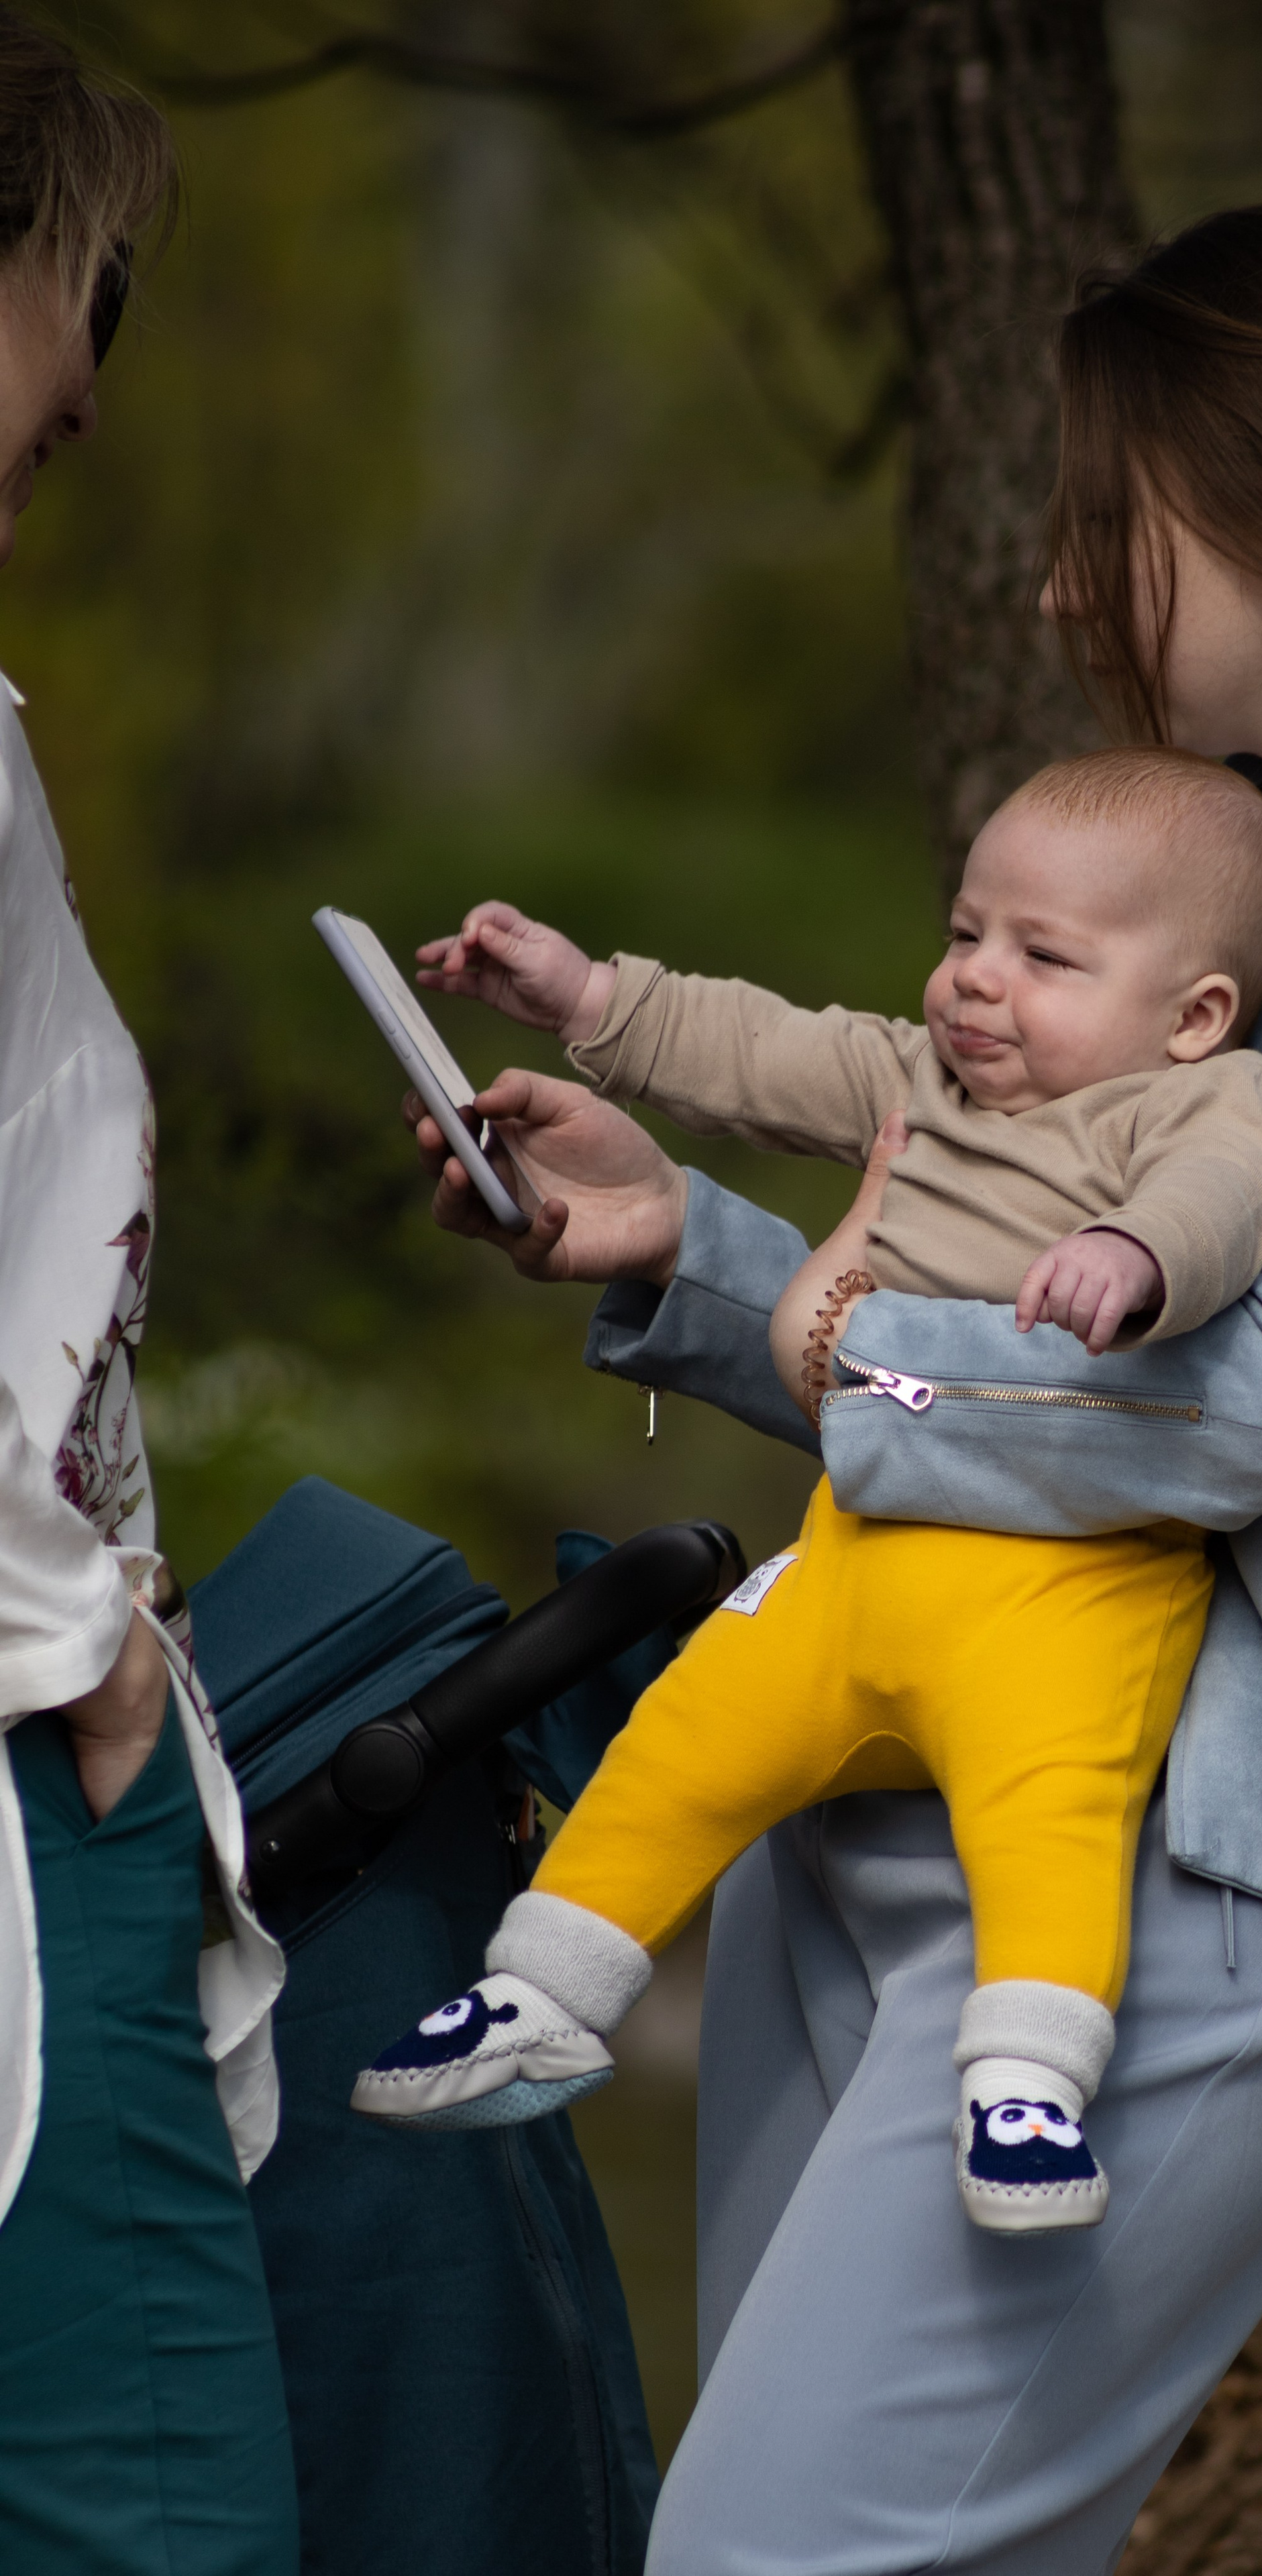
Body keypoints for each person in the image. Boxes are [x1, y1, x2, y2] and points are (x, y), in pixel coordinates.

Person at [403, 202, 1262, 2572]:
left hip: (1195, 1878)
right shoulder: (1191, 873)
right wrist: (692, 1250)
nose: (1049, 589)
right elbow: (1016, 1366)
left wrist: (850, 1347)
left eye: (1104, 524)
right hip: (863, 1799)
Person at [352, 747, 1262, 2238]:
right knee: (686, 1738)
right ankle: (544, 1992)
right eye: (967, 932)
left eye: (1044, 957)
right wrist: (585, 995)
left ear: (1192, 1016)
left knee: (1052, 1819)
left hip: (1065, 1585)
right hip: (854, 1551)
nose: (976, 979)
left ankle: (1029, 2089)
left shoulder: (1195, 1106)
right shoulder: (925, 1080)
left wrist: (1136, 1253)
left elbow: (1229, 1198)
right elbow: (759, 1051)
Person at [0, 21, 296, 2572]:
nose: (91, 385)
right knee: (154, 2519)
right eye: (77, 287)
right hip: (21, 1754)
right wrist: (78, 1650)